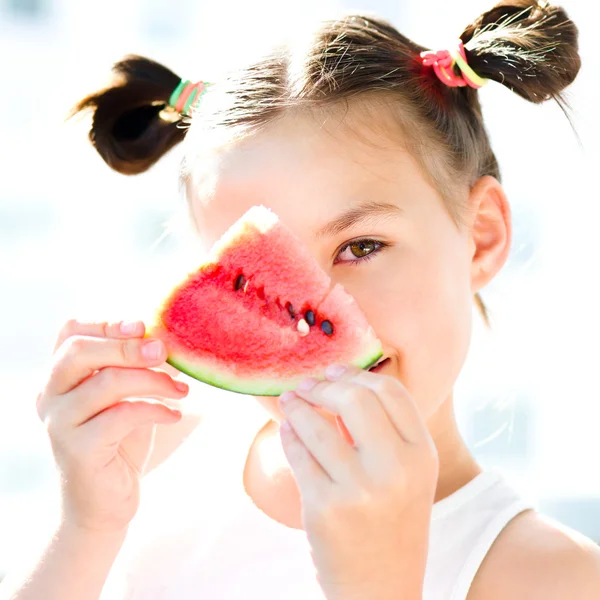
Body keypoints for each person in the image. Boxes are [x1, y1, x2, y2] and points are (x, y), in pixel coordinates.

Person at [2, 1, 599, 599]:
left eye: (362, 245)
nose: (306, 320)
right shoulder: (152, 460)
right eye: (255, 281)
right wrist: (85, 528)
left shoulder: (552, 576)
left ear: (481, 237)